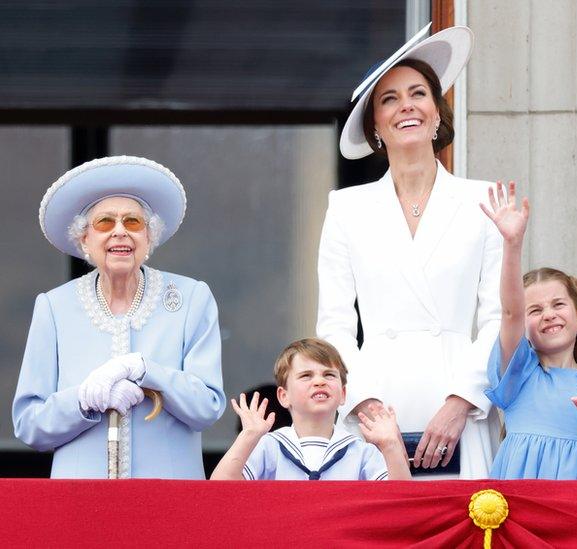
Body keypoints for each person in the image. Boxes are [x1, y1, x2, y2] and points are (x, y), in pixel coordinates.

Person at [318, 24, 501, 478]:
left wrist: (463, 400)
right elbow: (334, 322)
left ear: (438, 113)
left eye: (418, 93)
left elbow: (499, 316)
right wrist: (366, 402)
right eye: (389, 99)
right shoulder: (346, 208)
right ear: (375, 127)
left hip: (460, 404)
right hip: (378, 408)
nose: (406, 107)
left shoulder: (484, 201)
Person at [13, 156, 225, 478]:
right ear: (84, 239)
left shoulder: (190, 298)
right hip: (81, 500)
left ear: (149, 238)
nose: (120, 232)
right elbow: (30, 424)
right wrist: (83, 400)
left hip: (169, 498)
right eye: (104, 223)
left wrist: (146, 371)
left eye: (134, 222)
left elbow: (207, 407)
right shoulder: (54, 307)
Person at [480, 182, 577, 480]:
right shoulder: (520, 374)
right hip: (521, 509)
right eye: (535, 310)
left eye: (557, 305)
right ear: (524, 326)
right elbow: (511, 311)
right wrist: (512, 244)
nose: (548, 314)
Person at [211, 338, 410, 480]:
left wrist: (390, 446)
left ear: (343, 394)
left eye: (329, 375)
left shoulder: (360, 451)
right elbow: (220, 488)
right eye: (306, 375)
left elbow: (399, 502)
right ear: (284, 396)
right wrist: (248, 436)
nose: (319, 381)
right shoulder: (269, 446)